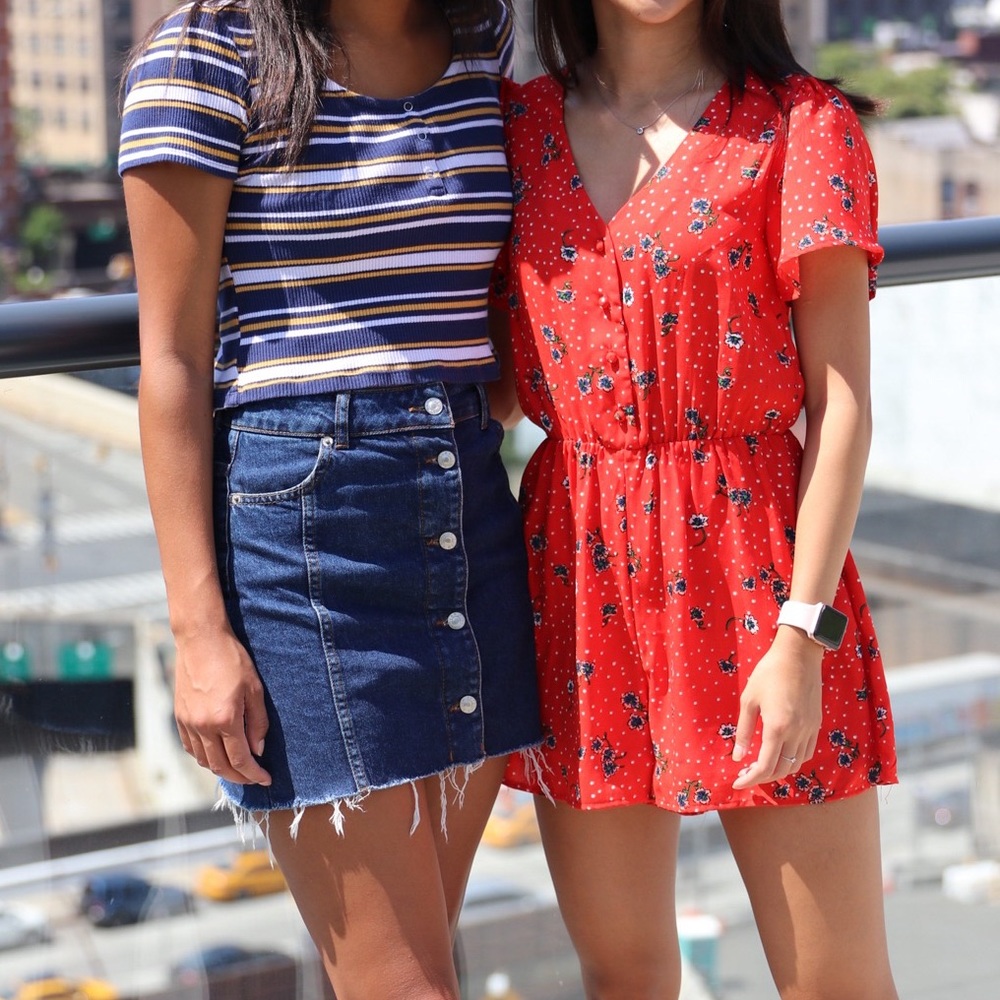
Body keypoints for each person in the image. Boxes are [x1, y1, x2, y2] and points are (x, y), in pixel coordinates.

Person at [118, 2, 541, 996]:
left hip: (471, 503)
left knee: (428, 955)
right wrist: (197, 632)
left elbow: (494, 289)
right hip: (311, 531)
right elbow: (172, 362)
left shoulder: (478, 31)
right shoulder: (208, 52)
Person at [490, 2, 900, 998]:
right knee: (624, 975)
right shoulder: (517, 129)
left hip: (760, 577)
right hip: (577, 581)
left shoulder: (802, 125)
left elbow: (841, 407)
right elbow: (493, 372)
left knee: (833, 982)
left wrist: (801, 634)